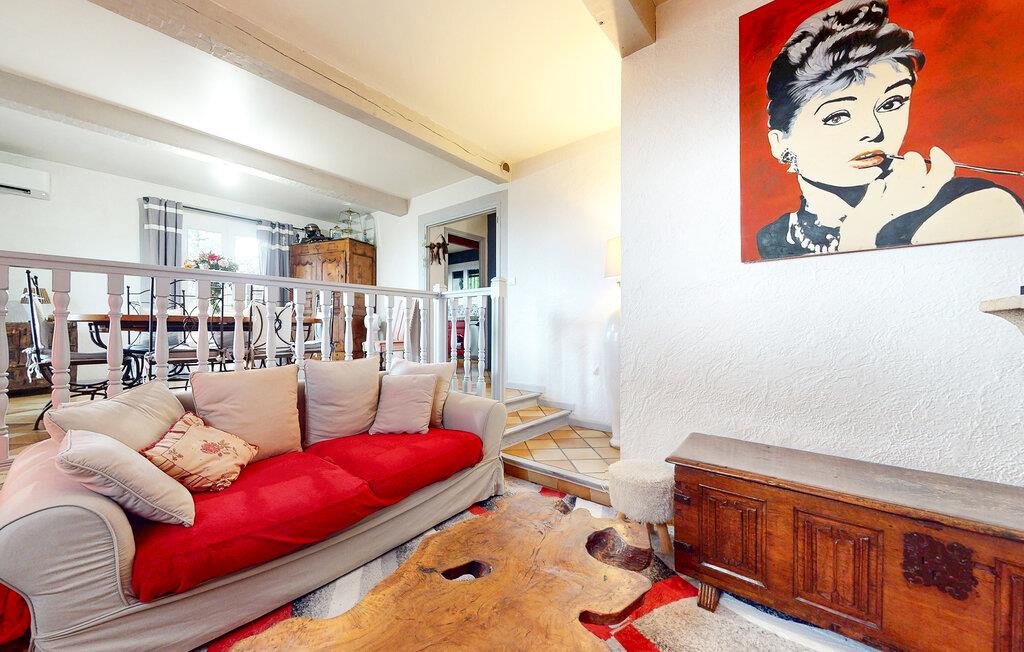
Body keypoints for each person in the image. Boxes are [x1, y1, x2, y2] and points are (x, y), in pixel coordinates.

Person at [756, 0, 1024, 260]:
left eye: (891, 104)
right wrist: (861, 233)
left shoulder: (974, 207)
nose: (874, 131)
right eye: (837, 116)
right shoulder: (773, 237)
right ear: (780, 144)